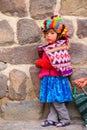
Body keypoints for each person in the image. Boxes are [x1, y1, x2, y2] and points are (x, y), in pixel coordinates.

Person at [35, 15, 73, 127]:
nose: (48, 36)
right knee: (52, 100)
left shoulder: (59, 48)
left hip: (56, 79)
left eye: (52, 33)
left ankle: (65, 119)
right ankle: (52, 119)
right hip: (50, 78)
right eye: (47, 34)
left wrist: (39, 62)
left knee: (57, 101)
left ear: (58, 34)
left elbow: (52, 63)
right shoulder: (48, 47)